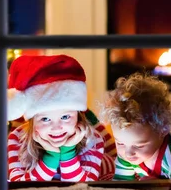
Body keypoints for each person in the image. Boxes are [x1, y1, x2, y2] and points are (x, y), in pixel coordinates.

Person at [7, 54, 115, 182]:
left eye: (65, 117)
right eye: (45, 119)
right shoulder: (17, 139)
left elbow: (84, 188)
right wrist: (51, 157)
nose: (56, 128)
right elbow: (19, 187)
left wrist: (68, 153)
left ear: (79, 115)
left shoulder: (93, 140)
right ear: (32, 120)